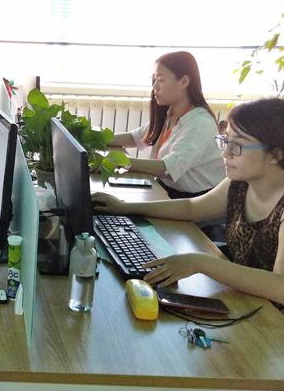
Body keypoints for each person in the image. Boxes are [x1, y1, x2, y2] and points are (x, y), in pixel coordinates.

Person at [91, 97, 284, 306]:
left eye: (237, 145)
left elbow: (280, 286)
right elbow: (191, 208)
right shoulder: (240, 184)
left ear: (276, 154)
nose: (225, 152)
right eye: (225, 140)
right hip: (245, 299)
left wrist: (201, 262)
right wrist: (125, 207)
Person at [109, 51, 225, 199]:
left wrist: (120, 161)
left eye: (161, 80)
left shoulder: (200, 123)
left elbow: (169, 168)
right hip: (165, 188)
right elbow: (137, 137)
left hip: (192, 200)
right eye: (154, 80)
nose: (155, 86)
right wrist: (97, 138)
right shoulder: (171, 112)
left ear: (184, 82)